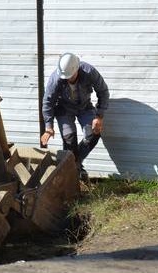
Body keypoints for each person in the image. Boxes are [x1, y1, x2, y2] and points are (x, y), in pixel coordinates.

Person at [40, 53, 109, 181]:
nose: (68, 78)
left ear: (77, 69)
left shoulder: (89, 71)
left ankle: (75, 163)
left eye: (70, 76)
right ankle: (72, 175)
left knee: (94, 133)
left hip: (84, 107)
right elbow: (47, 102)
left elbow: (103, 91)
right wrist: (48, 127)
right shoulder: (56, 79)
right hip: (64, 109)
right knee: (69, 141)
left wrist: (99, 116)